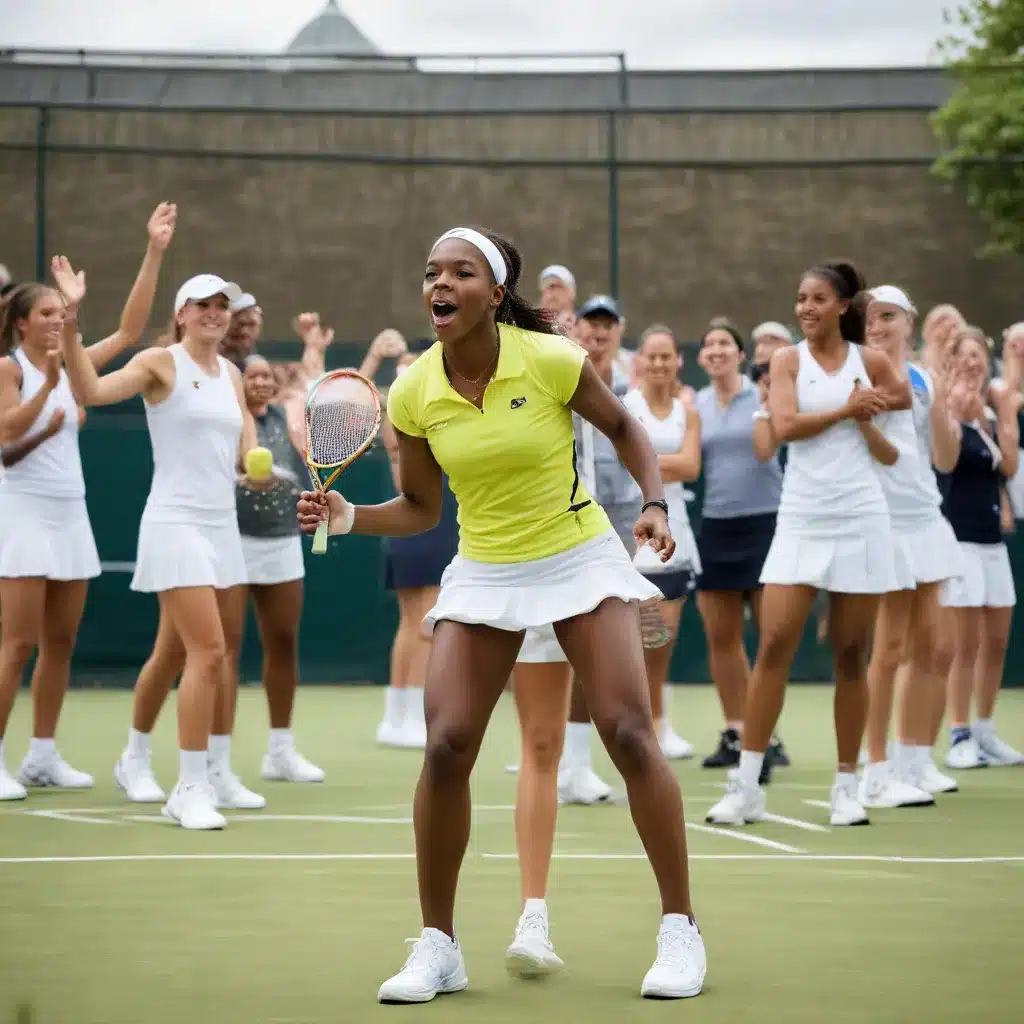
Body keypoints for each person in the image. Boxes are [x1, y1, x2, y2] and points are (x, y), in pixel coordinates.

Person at [298, 226, 706, 1003]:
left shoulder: (550, 359)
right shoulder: (417, 388)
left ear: (495, 290)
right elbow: (421, 508)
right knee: (447, 745)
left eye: (460, 272)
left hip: (579, 554)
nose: (439, 284)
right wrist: (349, 515)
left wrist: (652, 502)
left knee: (626, 728)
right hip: (485, 567)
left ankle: (680, 929)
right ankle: (439, 946)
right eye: (430, 272)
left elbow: (626, 428)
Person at [706, 261, 911, 828]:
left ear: (844, 305)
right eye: (801, 299)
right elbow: (787, 425)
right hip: (800, 519)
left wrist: (873, 406)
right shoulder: (787, 359)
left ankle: (848, 786)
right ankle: (747, 784)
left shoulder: (869, 360)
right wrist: (850, 408)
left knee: (850, 653)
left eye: (818, 299)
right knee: (774, 644)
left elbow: (904, 399)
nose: (806, 308)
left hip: (862, 517)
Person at [60, 268, 263, 830]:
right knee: (209, 653)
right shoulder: (158, 364)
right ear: (181, 314)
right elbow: (90, 391)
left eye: (222, 306)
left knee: (175, 654)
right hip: (175, 525)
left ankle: (137, 756)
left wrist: (255, 468)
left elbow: (246, 436)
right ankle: (190, 786)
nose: (213, 314)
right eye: (202, 305)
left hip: (222, 526)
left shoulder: (232, 373)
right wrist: (73, 325)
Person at [0, 203, 174, 802]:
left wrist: (152, 250)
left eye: (60, 313)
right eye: (46, 313)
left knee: (60, 644)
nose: (55, 321)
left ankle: (42, 756)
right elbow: (5, 433)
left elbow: (128, 334)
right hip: (20, 515)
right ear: (21, 323)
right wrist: (48, 388)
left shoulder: (71, 364)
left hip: (70, 515)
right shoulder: (9, 368)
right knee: (16, 644)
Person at [858, 286, 962, 808]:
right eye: (871, 317)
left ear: (909, 322)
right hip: (884, 522)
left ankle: (914, 759)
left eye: (889, 317)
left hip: (926, 519)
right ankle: (873, 772)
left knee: (934, 646)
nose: (878, 325)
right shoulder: (859, 377)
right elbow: (875, 453)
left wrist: (945, 409)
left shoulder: (926, 379)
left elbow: (943, 461)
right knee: (889, 650)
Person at [693, 319, 788, 780]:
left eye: (725, 344)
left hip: (767, 524)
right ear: (701, 358)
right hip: (716, 526)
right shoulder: (695, 404)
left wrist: (768, 403)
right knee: (721, 638)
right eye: (709, 344)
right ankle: (737, 732)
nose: (716, 350)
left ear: (740, 354)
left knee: (770, 639)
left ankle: (762, 737)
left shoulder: (763, 393)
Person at [933, 327, 1023, 768]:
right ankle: (959, 733)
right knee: (964, 645)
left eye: (979, 358)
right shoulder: (943, 410)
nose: (973, 364)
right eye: (965, 356)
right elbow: (943, 461)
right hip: (959, 540)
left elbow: (1009, 464)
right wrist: (957, 410)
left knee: (997, 640)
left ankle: (985, 730)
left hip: (992, 544)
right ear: (950, 362)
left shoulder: (988, 413)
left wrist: (1000, 413)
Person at [624, 324, 700, 757]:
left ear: (677, 361)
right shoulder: (627, 407)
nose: (658, 363)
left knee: (664, 636)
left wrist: (648, 462)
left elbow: (691, 465)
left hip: (677, 535)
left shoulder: (687, 411)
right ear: (640, 363)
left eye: (665, 356)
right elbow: (623, 461)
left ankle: (659, 724)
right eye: (651, 356)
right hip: (634, 535)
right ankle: (640, 726)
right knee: (639, 636)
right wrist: (650, 465)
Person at [378, 345, 459, 749]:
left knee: (414, 624)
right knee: (422, 625)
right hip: (420, 528)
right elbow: (404, 480)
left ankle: (397, 715)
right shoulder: (404, 424)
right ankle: (405, 715)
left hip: (434, 528)